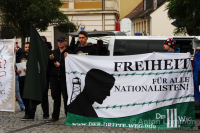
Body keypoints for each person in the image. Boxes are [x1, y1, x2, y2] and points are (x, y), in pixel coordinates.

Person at [47, 36, 73, 122]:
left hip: (64, 78)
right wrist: (50, 60)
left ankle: (68, 116)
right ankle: (55, 116)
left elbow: (71, 66)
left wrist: (61, 66)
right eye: (58, 41)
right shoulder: (54, 52)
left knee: (66, 97)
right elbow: (49, 66)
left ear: (65, 42)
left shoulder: (69, 53)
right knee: (55, 97)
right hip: (54, 78)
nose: (60, 43)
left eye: (61, 41)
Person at [16, 42, 36, 120]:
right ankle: (27, 112)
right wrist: (17, 71)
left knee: (28, 97)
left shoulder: (33, 57)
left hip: (29, 80)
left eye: (28, 47)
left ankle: (29, 113)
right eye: (26, 47)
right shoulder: (21, 57)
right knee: (22, 95)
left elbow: (35, 68)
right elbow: (16, 66)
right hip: (21, 79)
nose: (27, 48)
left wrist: (28, 70)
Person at [40, 36, 53, 120]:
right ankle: (30, 113)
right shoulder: (35, 51)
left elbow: (51, 65)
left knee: (44, 96)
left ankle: (46, 114)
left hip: (45, 76)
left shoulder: (49, 52)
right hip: (38, 76)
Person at [14, 40, 25, 111]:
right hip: (9, 73)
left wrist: (17, 51)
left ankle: (22, 105)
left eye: (17, 43)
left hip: (17, 73)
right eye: (14, 43)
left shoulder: (20, 51)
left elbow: (23, 54)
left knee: (18, 90)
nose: (16, 44)